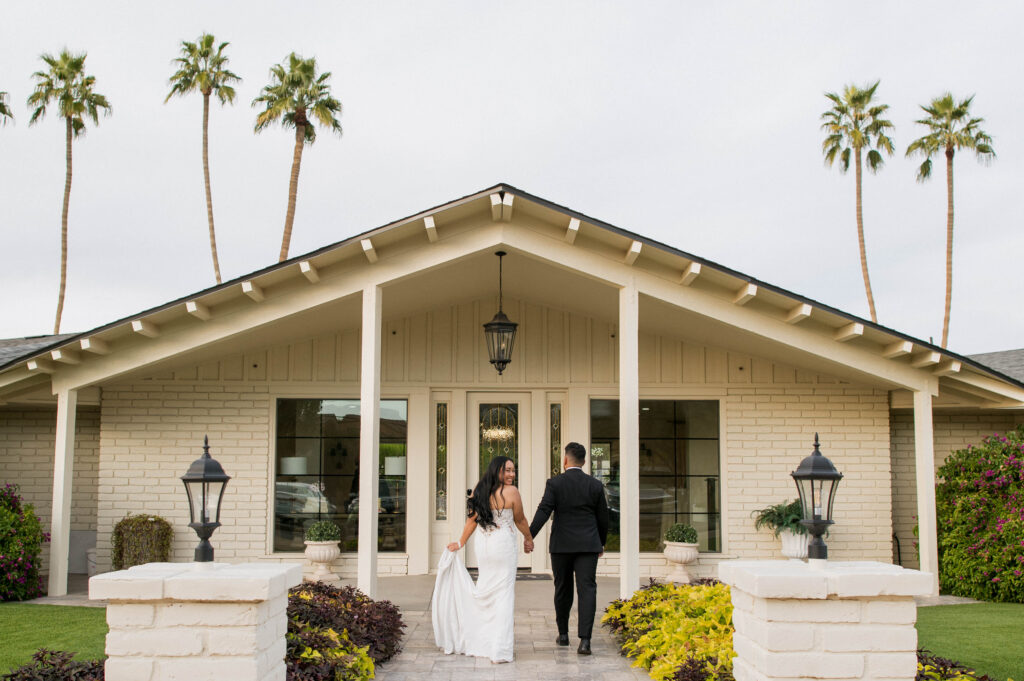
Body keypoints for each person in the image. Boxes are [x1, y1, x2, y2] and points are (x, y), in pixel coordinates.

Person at [431, 455, 534, 663]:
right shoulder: (511, 492)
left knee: (485, 590)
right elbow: (520, 519)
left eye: (513, 470)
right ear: (497, 470)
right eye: (507, 470)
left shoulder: (480, 489)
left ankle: (481, 641)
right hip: (503, 546)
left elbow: (472, 521)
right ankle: (499, 650)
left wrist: (460, 543)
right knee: (504, 595)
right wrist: (528, 538)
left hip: (484, 545)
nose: (511, 475)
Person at [529, 441, 609, 655]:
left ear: (565, 460)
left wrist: (529, 535)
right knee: (587, 589)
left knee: (562, 588)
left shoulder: (555, 483)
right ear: (584, 461)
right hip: (588, 545)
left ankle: (563, 635)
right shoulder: (594, 485)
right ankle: (585, 641)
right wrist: (601, 542)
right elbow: (603, 517)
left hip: (561, 545)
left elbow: (544, 510)